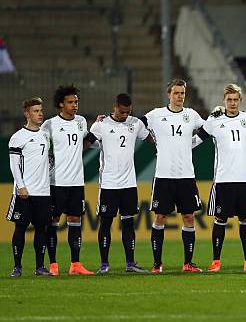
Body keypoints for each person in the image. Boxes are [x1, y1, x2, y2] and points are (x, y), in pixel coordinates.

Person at [195, 84, 246, 272]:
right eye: (229, 100)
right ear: (223, 101)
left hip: (245, 179)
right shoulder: (214, 121)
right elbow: (195, 141)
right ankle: (216, 262)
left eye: (235, 100)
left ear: (240, 101)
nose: (232, 103)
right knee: (220, 219)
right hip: (223, 180)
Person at [143, 79, 205, 273]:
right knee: (160, 217)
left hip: (186, 175)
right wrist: (107, 119)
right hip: (164, 176)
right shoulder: (155, 115)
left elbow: (208, 130)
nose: (179, 96)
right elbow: (134, 124)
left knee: (188, 217)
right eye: (176, 93)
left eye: (182, 93)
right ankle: (157, 263)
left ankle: (188, 263)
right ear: (168, 94)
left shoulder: (191, 115)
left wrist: (191, 143)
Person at [88, 94, 152, 274]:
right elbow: (87, 142)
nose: (125, 115)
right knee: (106, 223)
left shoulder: (135, 124)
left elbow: (151, 139)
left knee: (128, 223)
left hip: (129, 184)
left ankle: (130, 263)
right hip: (108, 184)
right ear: (114, 107)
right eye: (122, 112)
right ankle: (104, 264)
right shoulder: (101, 125)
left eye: (128, 112)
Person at [42, 85, 97, 275]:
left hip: (76, 181)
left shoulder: (81, 122)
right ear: (60, 104)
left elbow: (86, 140)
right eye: (70, 102)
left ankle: (75, 264)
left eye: (76, 102)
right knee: (53, 221)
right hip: (56, 182)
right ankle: (53, 264)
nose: (75, 105)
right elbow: (42, 151)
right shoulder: (49, 125)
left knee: (75, 219)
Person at [7, 98, 53, 277]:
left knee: (42, 228)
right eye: (36, 111)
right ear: (27, 114)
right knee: (20, 227)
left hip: (43, 191)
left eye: (41, 110)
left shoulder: (45, 135)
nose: (40, 113)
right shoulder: (18, 137)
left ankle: (40, 267)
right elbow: (14, 165)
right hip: (25, 192)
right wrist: (21, 186)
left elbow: (48, 160)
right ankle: (17, 267)